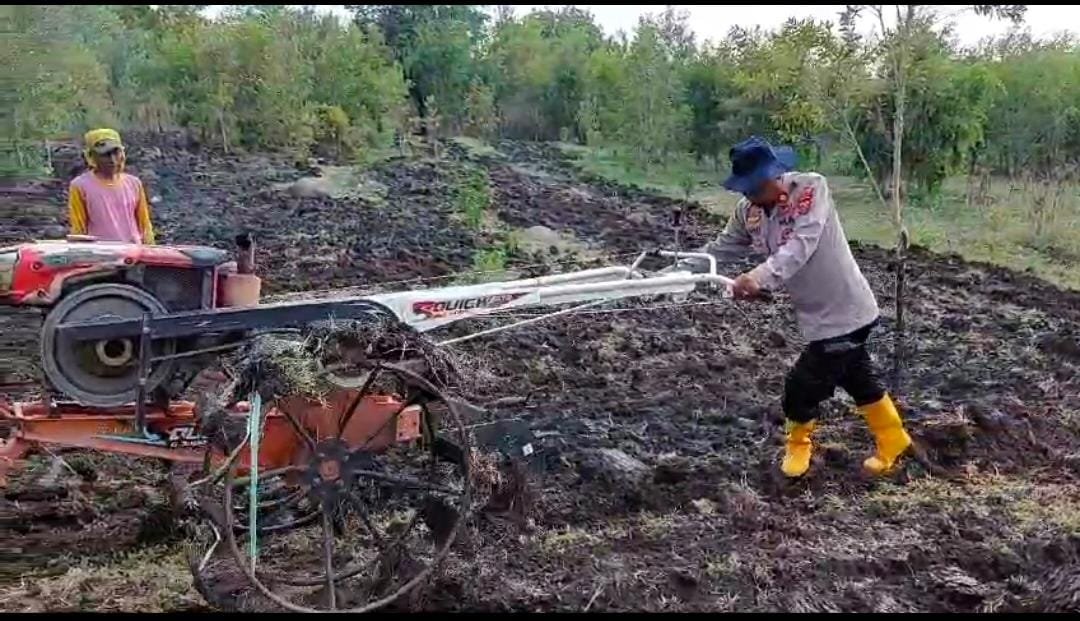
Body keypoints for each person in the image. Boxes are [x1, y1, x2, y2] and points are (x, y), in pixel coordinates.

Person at [672, 136, 912, 478]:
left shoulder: (811, 190)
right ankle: (894, 438)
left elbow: (802, 244)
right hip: (816, 315)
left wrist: (758, 277)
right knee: (858, 377)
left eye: (754, 187)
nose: (748, 195)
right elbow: (723, 247)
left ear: (775, 175)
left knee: (801, 386)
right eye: (744, 189)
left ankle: (799, 447)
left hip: (846, 311)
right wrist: (679, 271)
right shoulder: (749, 212)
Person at [68, 128, 156, 244]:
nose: (112, 160)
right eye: (105, 155)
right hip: (101, 254)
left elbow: (144, 224)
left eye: (116, 153)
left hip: (132, 252)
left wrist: (150, 249)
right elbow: (79, 229)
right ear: (92, 156)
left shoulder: (133, 184)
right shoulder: (80, 186)